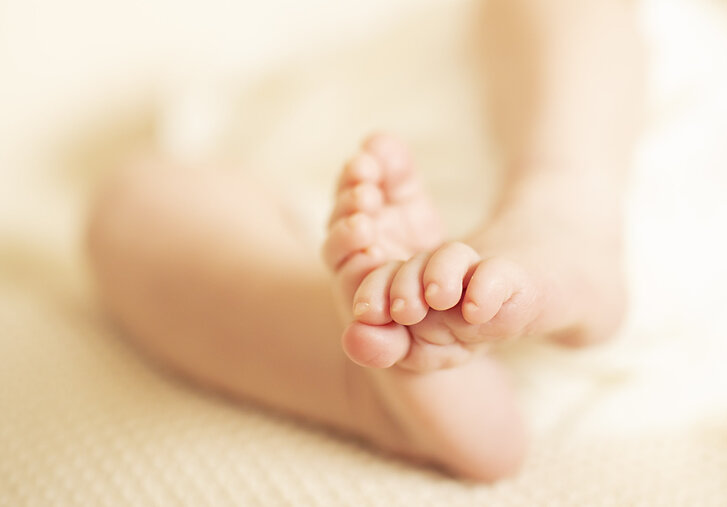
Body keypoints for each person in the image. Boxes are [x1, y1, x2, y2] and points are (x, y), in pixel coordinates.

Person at [86, 0, 644, 481]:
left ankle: (560, 208)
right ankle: (400, 372)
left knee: (132, 198)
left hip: (613, 130)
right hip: (432, 257)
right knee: (133, 201)